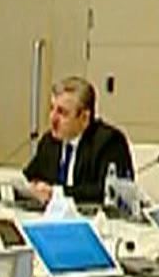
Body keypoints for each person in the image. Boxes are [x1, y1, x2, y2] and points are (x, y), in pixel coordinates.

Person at [21, 76, 131, 207]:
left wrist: (56, 193)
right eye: (52, 109)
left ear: (84, 118)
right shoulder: (49, 142)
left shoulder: (109, 142)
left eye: (62, 112)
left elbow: (106, 192)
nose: (53, 118)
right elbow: (30, 178)